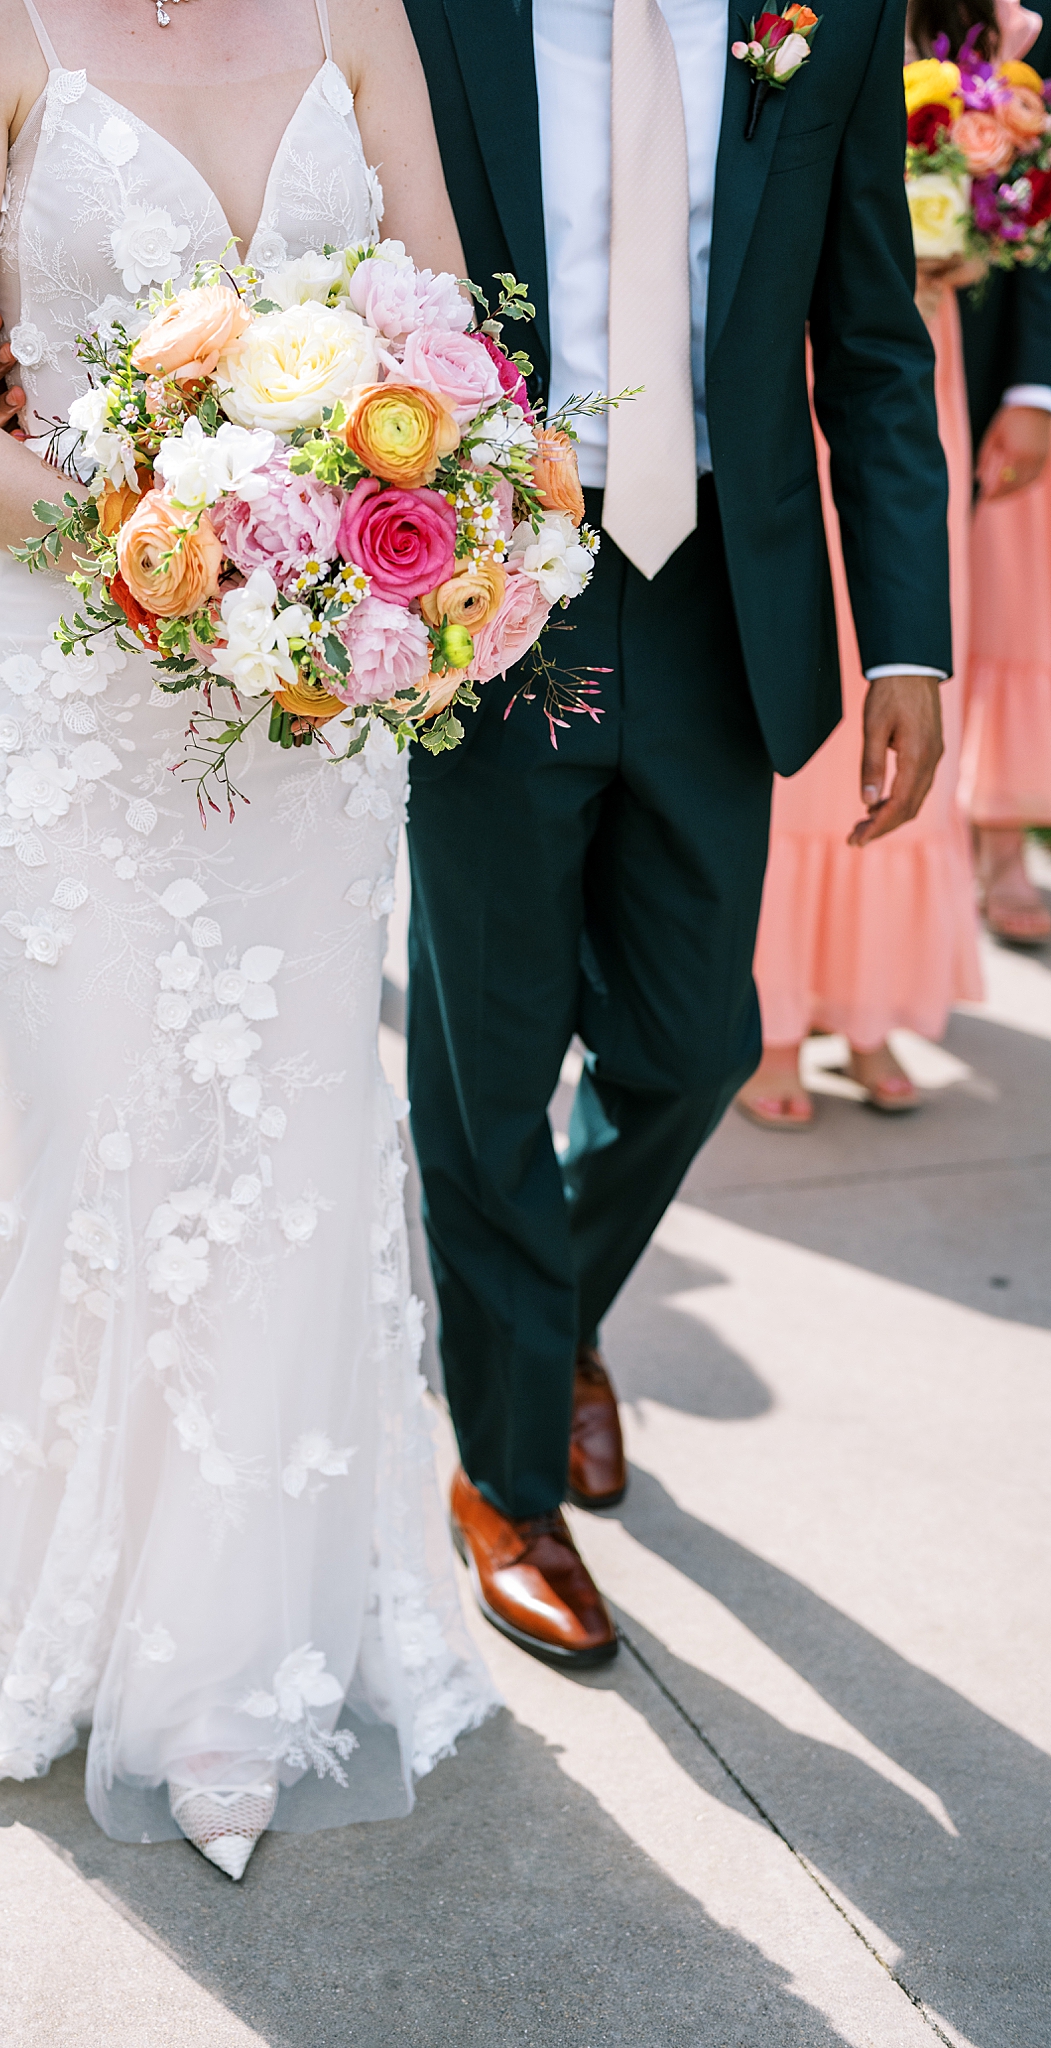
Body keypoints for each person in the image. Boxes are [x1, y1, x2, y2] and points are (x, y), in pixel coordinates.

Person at [0, 0, 495, 1880]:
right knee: (101, 1119)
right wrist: (176, 553)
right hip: (76, 689)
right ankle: (127, 1625)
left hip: (301, 715)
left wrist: (420, 538)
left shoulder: (357, 12)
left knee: (283, 1131)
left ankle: (237, 1639)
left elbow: (447, 340)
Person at [403, 0, 950, 1662]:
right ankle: (505, 1479)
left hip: (724, 585)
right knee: (490, 1049)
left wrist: (906, 635)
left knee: (697, 1035)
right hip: (496, 579)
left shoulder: (827, 15)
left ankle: (541, 1306)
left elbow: (866, 335)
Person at [735, 0, 1020, 1129]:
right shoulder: (777, 13)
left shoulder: (984, 28)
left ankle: (868, 1001)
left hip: (912, 368)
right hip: (781, 368)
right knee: (791, 664)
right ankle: (771, 1012)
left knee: (895, 667)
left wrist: (978, 230)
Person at [960, 24, 1051, 948]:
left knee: (1014, 611)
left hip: (1001, 354)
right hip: (911, 342)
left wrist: (1035, 386)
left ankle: (998, 841)